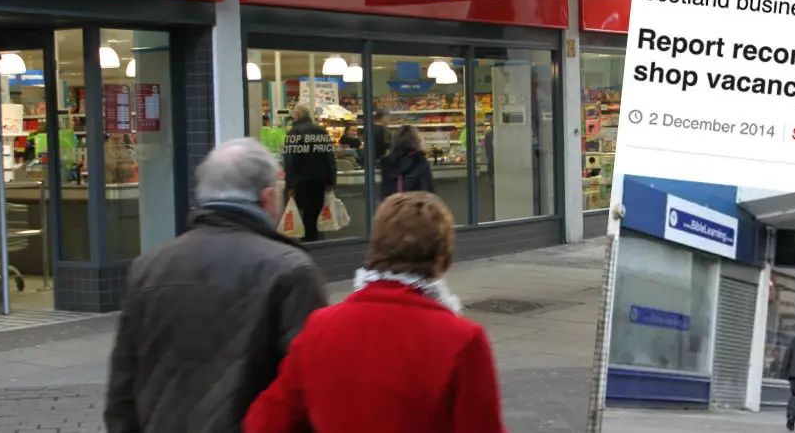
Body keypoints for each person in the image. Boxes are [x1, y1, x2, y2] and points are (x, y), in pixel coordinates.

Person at [104, 138, 327, 433]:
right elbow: (310, 388)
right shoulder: (291, 271)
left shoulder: (150, 266)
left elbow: (122, 388)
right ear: (268, 197)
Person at [244, 192, 506, 433]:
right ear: (442, 259)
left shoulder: (320, 326)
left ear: (377, 249)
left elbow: (264, 422)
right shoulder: (463, 341)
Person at [282, 104, 337, 241]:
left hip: (301, 182)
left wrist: (290, 185)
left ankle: (305, 244)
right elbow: (330, 158)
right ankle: (314, 242)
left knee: (300, 215)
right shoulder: (321, 132)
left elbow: (290, 161)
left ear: (298, 115)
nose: (292, 117)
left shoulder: (293, 133)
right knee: (313, 215)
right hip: (319, 181)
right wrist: (331, 181)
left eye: (294, 114)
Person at [380, 124, 434, 197]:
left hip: (394, 206)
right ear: (416, 141)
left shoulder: (387, 162)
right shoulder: (420, 161)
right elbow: (427, 191)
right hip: (415, 205)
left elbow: (385, 192)